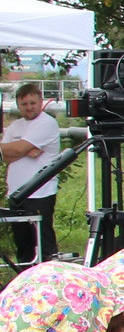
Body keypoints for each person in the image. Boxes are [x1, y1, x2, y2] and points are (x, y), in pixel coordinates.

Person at [3, 82, 63, 264]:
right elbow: (6, 155)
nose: (29, 107)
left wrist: (19, 150)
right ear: (18, 105)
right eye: (24, 104)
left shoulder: (47, 122)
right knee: (23, 245)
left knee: (42, 243)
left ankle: (47, 278)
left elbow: (17, 149)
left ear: (40, 102)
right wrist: (22, 151)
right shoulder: (15, 125)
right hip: (16, 193)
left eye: (32, 103)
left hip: (40, 192)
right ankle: (23, 279)